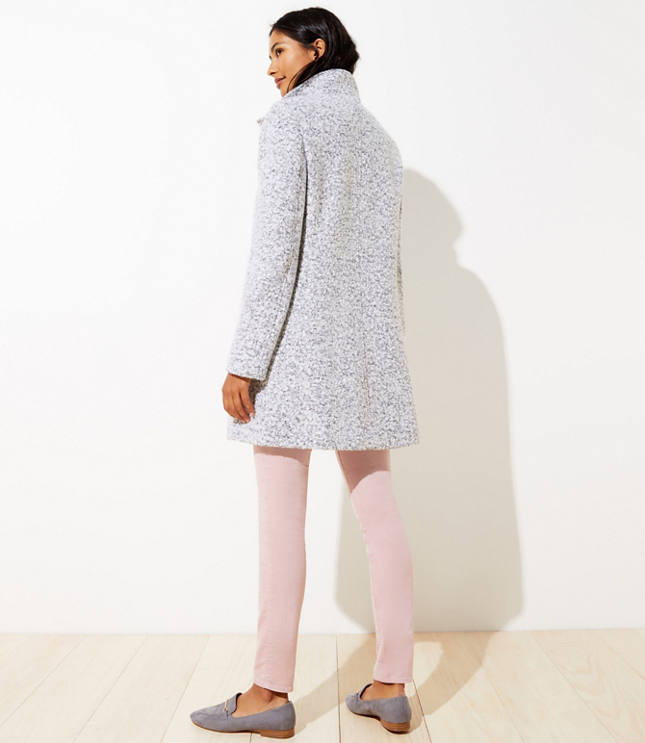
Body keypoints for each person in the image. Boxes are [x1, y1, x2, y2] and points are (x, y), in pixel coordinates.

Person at [191, 7, 419, 737]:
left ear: (316, 49)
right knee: (380, 516)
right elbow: (386, 263)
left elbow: (274, 249)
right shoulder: (379, 139)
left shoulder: (291, 124)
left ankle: (268, 693)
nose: (270, 68)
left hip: (293, 350)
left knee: (279, 525)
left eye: (280, 51)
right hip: (366, 352)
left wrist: (244, 360)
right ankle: (392, 682)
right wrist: (384, 353)